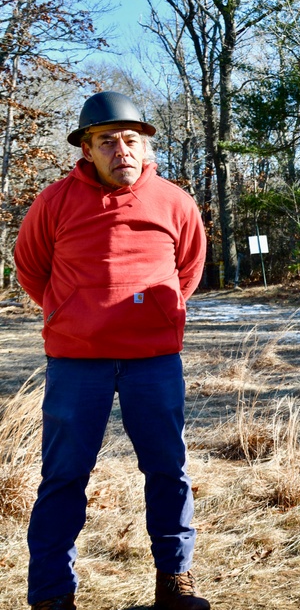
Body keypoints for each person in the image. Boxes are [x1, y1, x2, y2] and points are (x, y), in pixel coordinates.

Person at [14, 91, 209, 610]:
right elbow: (31, 269)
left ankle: (174, 580)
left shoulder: (174, 201)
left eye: (131, 140)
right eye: (107, 142)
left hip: (154, 362)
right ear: (87, 150)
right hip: (78, 362)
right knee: (63, 477)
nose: (121, 150)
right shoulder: (53, 202)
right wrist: (72, 313)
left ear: (145, 146)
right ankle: (52, 595)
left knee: (168, 469)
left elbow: (187, 270)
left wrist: (156, 316)